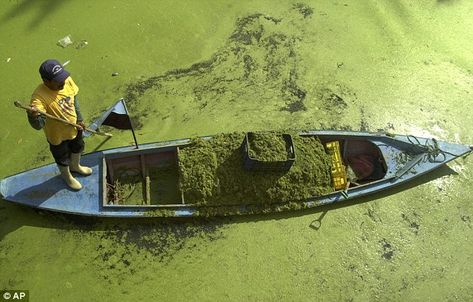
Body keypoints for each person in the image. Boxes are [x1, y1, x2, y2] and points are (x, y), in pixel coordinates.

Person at [27, 59, 92, 190]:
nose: (63, 83)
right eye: (58, 81)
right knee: (62, 158)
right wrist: (33, 116)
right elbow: (38, 125)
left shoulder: (66, 80)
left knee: (78, 147)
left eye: (63, 78)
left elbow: (74, 100)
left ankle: (76, 166)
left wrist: (79, 118)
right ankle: (67, 177)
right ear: (46, 81)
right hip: (57, 136)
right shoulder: (39, 98)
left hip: (74, 127)